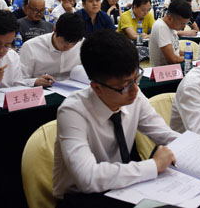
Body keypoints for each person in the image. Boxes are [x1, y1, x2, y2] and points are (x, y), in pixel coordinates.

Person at [53, 29, 179, 201]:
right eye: (125, 85)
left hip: (124, 186)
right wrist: (154, 165)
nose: (135, 90)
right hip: (82, 198)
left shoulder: (134, 95)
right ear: (97, 88)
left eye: (136, 78)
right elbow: (87, 178)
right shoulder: (73, 112)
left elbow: (166, 135)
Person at [21, 12, 86, 87]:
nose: (69, 47)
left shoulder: (82, 44)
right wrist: (35, 81)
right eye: (65, 42)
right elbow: (19, 80)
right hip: (42, 90)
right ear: (55, 29)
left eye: (74, 44)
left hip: (73, 89)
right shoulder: (31, 47)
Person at [149, 0, 192, 66]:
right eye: (181, 24)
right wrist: (187, 58)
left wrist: (188, 54)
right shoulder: (161, 27)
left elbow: (175, 51)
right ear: (170, 18)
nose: (183, 27)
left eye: (185, 24)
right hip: (163, 70)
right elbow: (172, 59)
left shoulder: (172, 26)